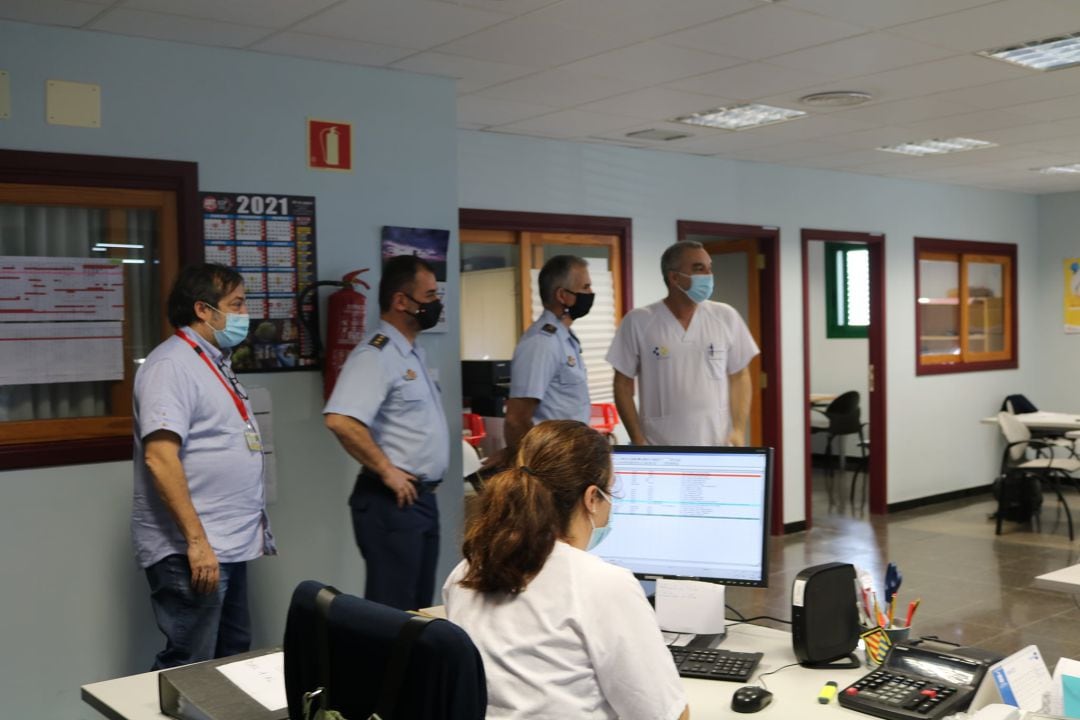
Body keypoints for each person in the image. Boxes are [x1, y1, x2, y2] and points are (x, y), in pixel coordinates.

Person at [444, 420, 689, 720]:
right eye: (609, 492)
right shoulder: (601, 584)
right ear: (591, 498)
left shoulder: (466, 573)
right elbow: (664, 715)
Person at [131, 263, 275, 670]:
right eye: (237, 304)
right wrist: (196, 542)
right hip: (192, 547)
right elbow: (160, 457)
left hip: (228, 541)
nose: (245, 313)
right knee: (191, 664)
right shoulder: (170, 366)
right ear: (204, 310)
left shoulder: (213, 361)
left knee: (232, 657)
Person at [324, 255, 449, 611]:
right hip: (391, 501)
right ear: (400, 301)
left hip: (421, 499)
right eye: (429, 295)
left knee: (418, 610)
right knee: (392, 613)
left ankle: (410, 670)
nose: (435, 303)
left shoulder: (411, 353)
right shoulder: (375, 354)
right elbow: (340, 420)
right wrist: (388, 471)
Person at [606, 240, 758, 447]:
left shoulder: (725, 316)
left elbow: (740, 375)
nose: (708, 275)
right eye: (698, 268)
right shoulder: (639, 321)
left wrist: (739, 430)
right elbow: (622, 384)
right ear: (674, 277)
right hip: (659, 446)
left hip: (717, 445)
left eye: (709, 268)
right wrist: (637, 437)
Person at [497, 254, 593, 463]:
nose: (591, 294)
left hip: (572, 458)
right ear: (562, 295)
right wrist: (539, 467)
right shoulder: (542, 342)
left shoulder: (564, 338)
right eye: (585, 287)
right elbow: (516, 420)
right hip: (553, 464)